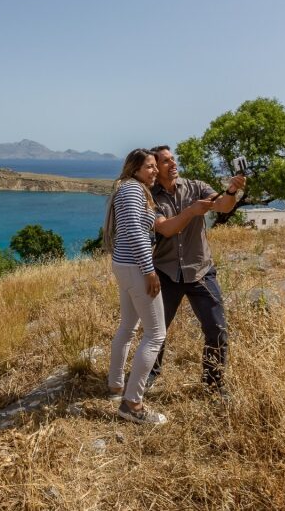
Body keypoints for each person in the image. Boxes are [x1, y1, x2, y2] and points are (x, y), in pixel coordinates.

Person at [147, 145, 246, 398]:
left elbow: (223, 206)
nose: (173, 163)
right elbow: (166, 229)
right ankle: (149, 376)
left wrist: (232, 190)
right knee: (156, 331)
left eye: (173, 158)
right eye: (166, 161)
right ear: (156, 168)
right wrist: (191, 211)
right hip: (166, 273)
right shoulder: (150, 197)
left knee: (217, 328)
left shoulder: (196, 187)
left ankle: (213, 384)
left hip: (201, 271)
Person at [104, 148, 168, 425]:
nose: (155, 171)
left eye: (156, 166)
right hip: (136, 268)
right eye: (150, 167)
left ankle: (116, 386)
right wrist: (149, 270)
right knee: (155, 334)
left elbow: (144, 226)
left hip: (125, 266)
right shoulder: (132, 189)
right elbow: (133, 230)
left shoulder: (131, 189)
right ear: (135, 169)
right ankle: (132, 405)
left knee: (128, 327)